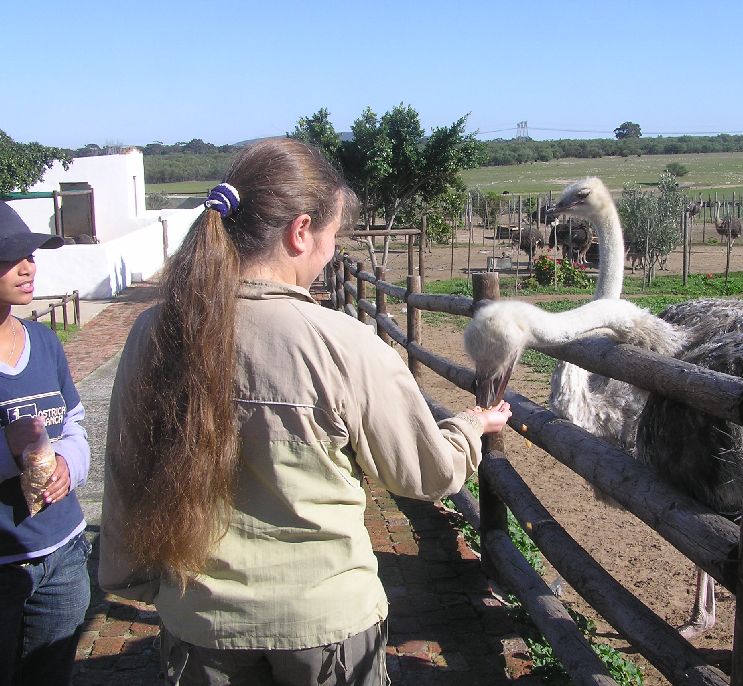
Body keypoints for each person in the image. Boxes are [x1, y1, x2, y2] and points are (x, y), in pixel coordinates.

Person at [99, 139, 511, 685]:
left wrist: (129, 576)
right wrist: (470, 426)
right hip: (326, 626)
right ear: (300, 231)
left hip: (199, 623)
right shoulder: (343, 344)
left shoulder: (154, 334)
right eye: (331, 236)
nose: (329, 254)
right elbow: (425, 474)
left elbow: (127, 469)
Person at [0, 204, 92, 686]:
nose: (27, 268)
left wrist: (67, 465)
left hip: (65, 551)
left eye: (30, 256)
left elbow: (74, 423)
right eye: (10, 258)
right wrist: (8, 449)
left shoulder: (44, 341)